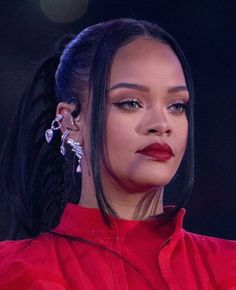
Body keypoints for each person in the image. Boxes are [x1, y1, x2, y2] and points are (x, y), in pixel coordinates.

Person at [0, 18, 236, 290]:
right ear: (70, 122)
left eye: (176, 105)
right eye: (131, 103)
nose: (161, 124)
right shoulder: (16, 270)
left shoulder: (227, 268)